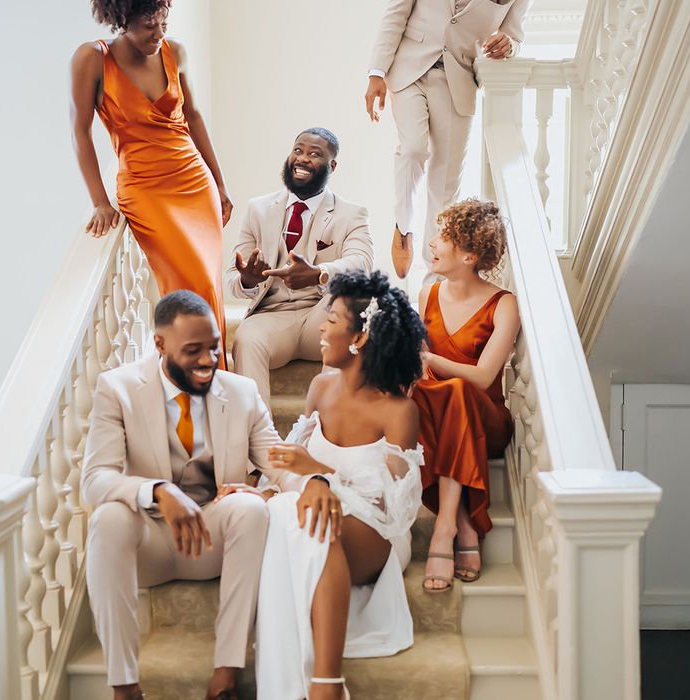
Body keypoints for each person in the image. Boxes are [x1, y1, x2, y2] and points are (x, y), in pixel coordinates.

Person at [81, 290, 318, 700]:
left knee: (248, 508)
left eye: (212, 347)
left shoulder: (242, 391)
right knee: (108, 519)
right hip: (150, 544)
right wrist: (157, 491)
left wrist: (314, 484)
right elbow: (95, 479)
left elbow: (276, 460)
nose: (209, 360)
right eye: (193, 351)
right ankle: (124, 685)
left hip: (213, 540)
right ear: (160, 345)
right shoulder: (117, 389)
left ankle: (226, 675)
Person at [248, 271, 426, 700]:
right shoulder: (320, 387)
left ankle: (325, 680)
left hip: (375, 533)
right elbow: (285, 461)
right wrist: (260, 491)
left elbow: (397, 509)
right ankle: (317, 685)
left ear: (360, 338)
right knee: (284, 511)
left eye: (331, 319)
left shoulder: (398, 410)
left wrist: (322, 475)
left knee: (307, 518)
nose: (321, 328)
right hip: (318, 515)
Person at [71, 0, 231, 366]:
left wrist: (219, 184)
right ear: (121, 20)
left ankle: (215, 382)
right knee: (185, 285)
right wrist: (100, 201)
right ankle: (192, 382)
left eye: (163, 22)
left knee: (208, 283)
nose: (158, 34)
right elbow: (80, 132)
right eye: (148, 26)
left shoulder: (175, 51)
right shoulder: (92, 59)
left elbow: (193, 116)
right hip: (146, 190)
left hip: (194, 181)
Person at [365, 0, 530, 280]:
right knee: (413, 149)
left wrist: (509, 45)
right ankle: (403, 226)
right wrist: (377, 72)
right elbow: (396, 13)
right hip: (408, 70)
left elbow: (514, 34)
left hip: (459, 81)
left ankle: (435, 277)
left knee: (445, 185)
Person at [412, 199, 520, 591]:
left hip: (485, 420)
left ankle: (443, 531)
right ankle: (462, 522)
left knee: (456, 389)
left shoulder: (503, 303)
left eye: (443, 238)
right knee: (425, 395)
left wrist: (428, 357)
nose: (432, 243)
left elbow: (483, 376)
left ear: (470, 255)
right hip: (437, 419)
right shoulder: (428, 295)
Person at [224, 128, 374, 407]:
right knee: (246, 339)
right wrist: (248, 279)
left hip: (322, 317)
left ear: (332, 166)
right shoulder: (258, 209)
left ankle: (327, 428)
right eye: (298, 150)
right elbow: (232, 279)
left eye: (314, 154)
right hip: (273, 316)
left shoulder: (351, 213)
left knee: (352, 298)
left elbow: (362, 263)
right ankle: (259, 438)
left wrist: (319, 273)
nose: (303, 158)